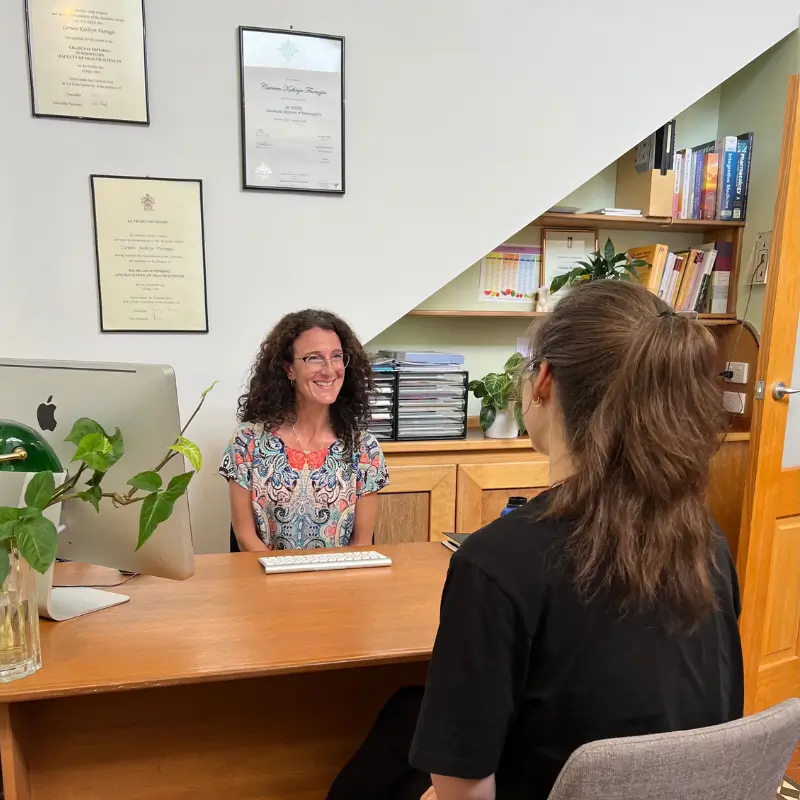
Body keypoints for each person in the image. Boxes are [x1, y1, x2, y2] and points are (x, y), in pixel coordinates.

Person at [327, 281, 744, 800]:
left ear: (543, 380)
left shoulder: (496, 563)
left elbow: (464, 793)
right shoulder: (708, 541)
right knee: (404, 713)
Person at [220, 309, 389, 551]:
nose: (329, 370)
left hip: (341, 574)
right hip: (264, 573)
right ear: (288, 369)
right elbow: (245, 537)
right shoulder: (246, 442)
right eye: (314, 358)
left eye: (336, 356)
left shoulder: (364, 448)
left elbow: (361, 545)